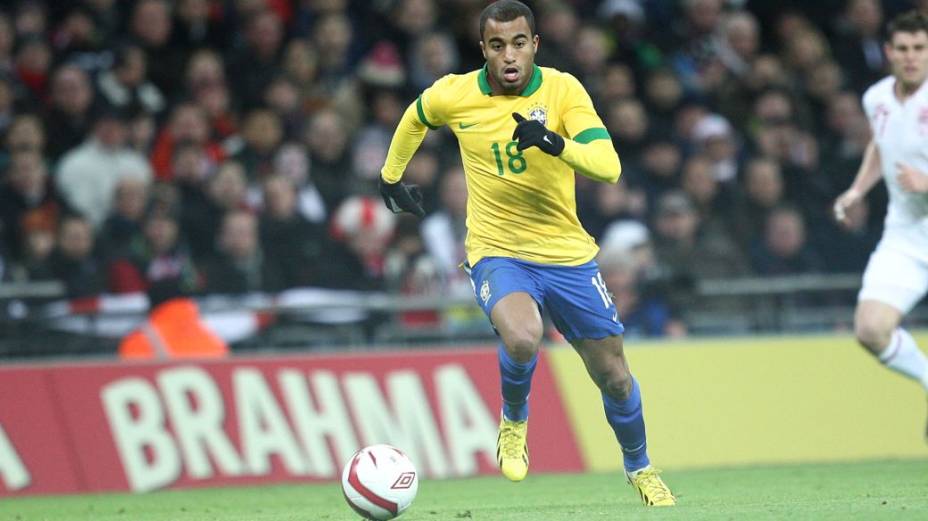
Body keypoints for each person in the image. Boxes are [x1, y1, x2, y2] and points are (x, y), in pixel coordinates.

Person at [378, 0, 674, 506]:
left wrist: (555, 143)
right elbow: (415, 116)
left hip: (567, 255)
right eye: (497, 45)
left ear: (535, 45)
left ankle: (639, 466)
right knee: (523, 337)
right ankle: (514, 421)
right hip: (497, 250)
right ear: (483, 50)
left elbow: (608, 165)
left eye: (519, 43)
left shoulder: (563, 89)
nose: (509, 55)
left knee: (615, 376)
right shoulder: (457, 93)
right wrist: (390, 177)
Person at [833, 10, 928, 438]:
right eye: (904, 49)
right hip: (907, 236)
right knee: (870, 329)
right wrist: (857, 190)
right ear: (889, 52)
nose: (911, 57)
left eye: (920, 49)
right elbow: (880, 146)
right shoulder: (877, 99)